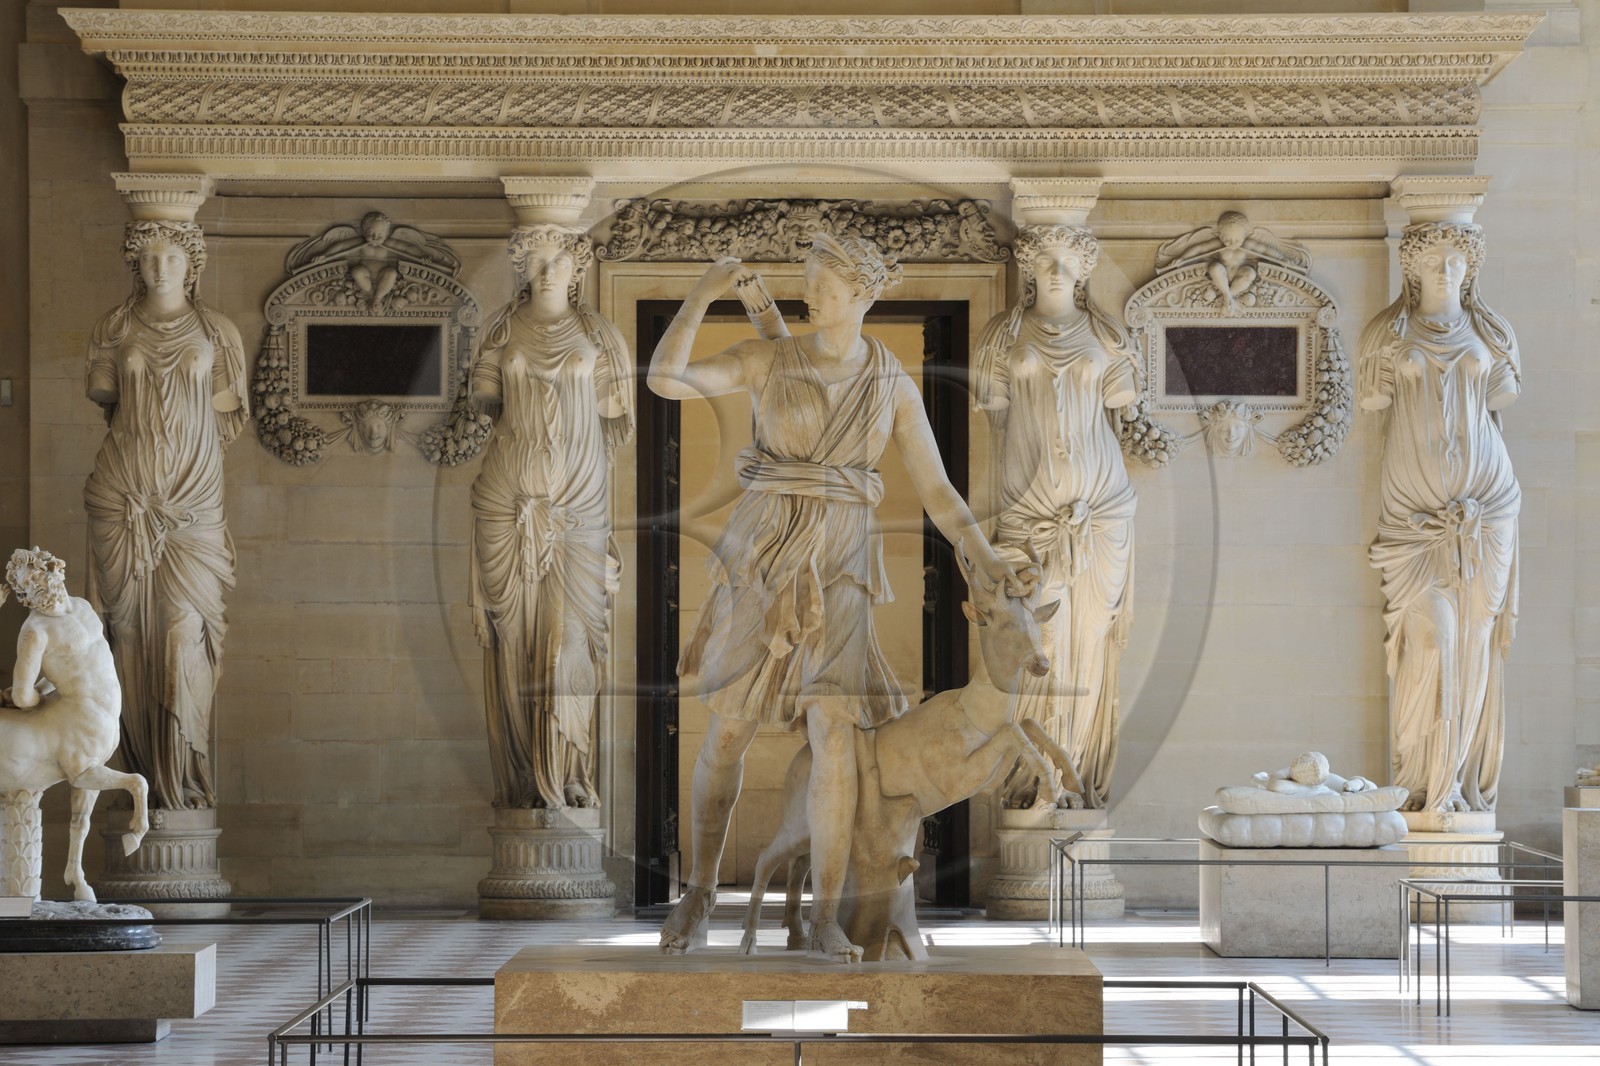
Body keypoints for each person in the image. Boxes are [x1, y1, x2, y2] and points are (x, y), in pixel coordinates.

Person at [647, 232, 1021, 962]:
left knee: (833, 738)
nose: (808, 293)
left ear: (860, 294)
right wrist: (705, 290)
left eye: (822, 283)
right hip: (763, 558)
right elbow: (665, 379)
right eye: (807, 281)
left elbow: (940, 493)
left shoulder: (890, 383)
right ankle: (697, 891)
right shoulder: (767, 359)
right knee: (729, 732)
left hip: (843, 563)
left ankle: (824, 914)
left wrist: (982, 554)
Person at [83, 220, 250, 811]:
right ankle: (137, 784)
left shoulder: (217, 332)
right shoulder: (115, 327)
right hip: (123, 495)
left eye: (172, 257)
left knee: (184, 636)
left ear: (192, 263)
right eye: (150, 258)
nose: (161, 268)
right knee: (125, 635)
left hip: (192, 506)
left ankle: (184, 783)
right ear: (136, 264)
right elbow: (107, 400)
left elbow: (228, 411)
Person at [973, 224, 1139, 809]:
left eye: (1067, 259)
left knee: (1089, 641)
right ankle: (1034, 782)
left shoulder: (1107, 336)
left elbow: (1120, 407)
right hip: (1028, 515)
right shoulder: (1002, 335)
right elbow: (992, 411)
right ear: (1027, 265)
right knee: (1041, 639)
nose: (1055, 267)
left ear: (1085, 268)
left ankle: (1076, 779)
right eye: (1044, 258)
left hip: (1103, 513)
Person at [469, 224, 633, 810]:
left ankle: (566, 774)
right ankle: (521, 783)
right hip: (506, 508)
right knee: (512, 645)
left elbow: (613, 419)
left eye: (556, 261)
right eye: (535, 261)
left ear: (577, 267)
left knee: (570, 646)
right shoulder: (501, 330)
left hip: (580, 513)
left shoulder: (600, 336)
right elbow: (487, 407)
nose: (545, 272)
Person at [1359, 221, 1519, 814]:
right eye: (1433, 262)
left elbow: (1502, 397)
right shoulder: (1386, 333)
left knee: (1475, 642)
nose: (1445, 270)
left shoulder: (1491, 332)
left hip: (1489, 508)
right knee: (1434, 641)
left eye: (1456, 261)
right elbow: (1373, 399)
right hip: (1413, 519)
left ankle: (1455, 785)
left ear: (1470, 268)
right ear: (1413, 270)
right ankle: (1422, 778)